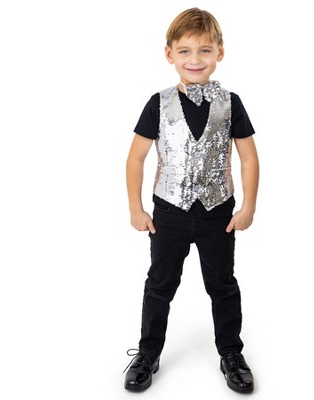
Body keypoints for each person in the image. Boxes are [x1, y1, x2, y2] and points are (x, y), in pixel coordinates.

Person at [124, 7, 259, 394]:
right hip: (168, 213)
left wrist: (248, 207)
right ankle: (148, 352)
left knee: (222, 284)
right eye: (185, 51)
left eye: (204, 50)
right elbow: (136, 158)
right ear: (170, 54)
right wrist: (136, 208)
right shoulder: (158, 103)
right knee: (160, 283)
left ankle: (231, 353)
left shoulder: (231, 103)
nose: (194, 59)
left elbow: (249, 158)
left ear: (220, 52)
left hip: (218, 213)